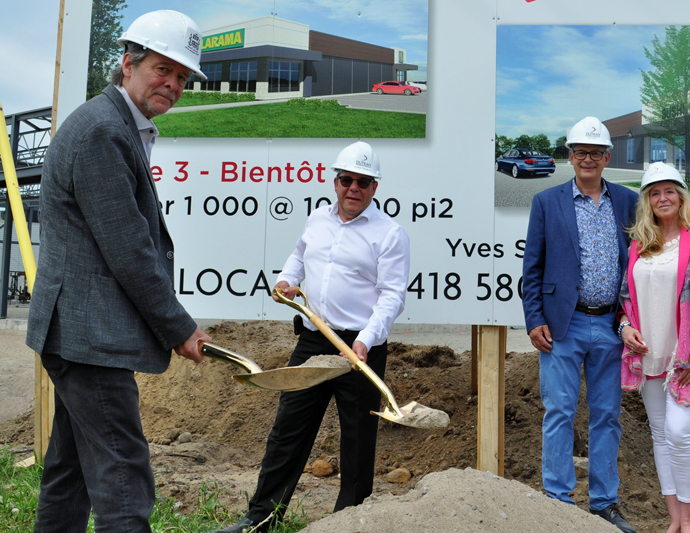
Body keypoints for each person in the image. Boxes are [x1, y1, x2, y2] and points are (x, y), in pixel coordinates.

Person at [25, 10, 211, 532]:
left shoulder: (111, 124)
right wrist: (179, 328)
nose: (173, 84)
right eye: (162, 69)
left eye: (181, 77)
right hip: (90, 340)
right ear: (128, 63)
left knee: (70, 473)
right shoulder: (105, 131)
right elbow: (129, 250)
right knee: (124, 479)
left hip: (81, 336)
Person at [214, 141, 410, 533]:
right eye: (347, 179)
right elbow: (300, 256)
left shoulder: (390, 234)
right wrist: (288, 279)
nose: (354, 188)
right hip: (314, 342)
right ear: (335, 182)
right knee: (288, 430)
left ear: (375, 188)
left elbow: (393, 295)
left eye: (363, 182)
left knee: (357, 442)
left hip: (360, 349)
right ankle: (260, 519)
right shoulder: (317, 218)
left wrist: (366, 339)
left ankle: (347, 523)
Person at [522, 117, 638, 533]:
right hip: (562, 327)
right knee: (559, 412)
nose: (587, 159)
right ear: (569, 157)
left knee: (607, 416)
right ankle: (558, 501)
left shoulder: (628, 201)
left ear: (607, 158)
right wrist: (534, 318)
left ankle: (604, 503)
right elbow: (532, 266)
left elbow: (642, 258)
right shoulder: (547, 202)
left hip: (612, 325)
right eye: (579, 152)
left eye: (595, 153)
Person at [618, 162, 690, 533]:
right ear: (647, 201)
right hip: (649, 354)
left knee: (681, 433)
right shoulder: (640, 242)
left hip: (688, 357)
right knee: (660, 434)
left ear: (681, 196)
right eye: (654, 192)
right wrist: (625, 326)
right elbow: (625, 299)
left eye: (669, 191)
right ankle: (675, 520)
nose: (662, 198)